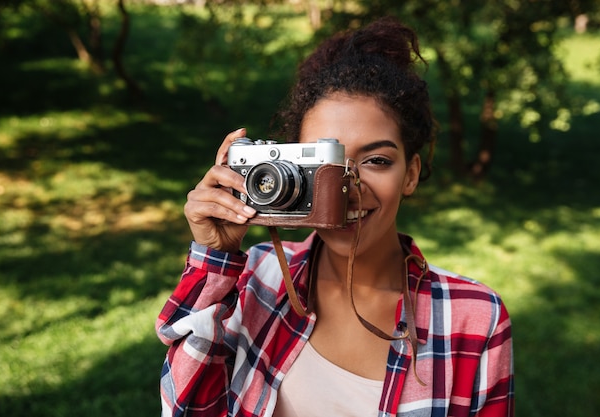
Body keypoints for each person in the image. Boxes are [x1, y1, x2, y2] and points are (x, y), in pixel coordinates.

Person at [156, 16, 514, 417]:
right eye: (326, 164)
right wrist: (215, 260)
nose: (346, 186)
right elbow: (185, 408)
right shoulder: (255, 277)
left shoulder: (475, 318)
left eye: (376, 160)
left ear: (410, 174)